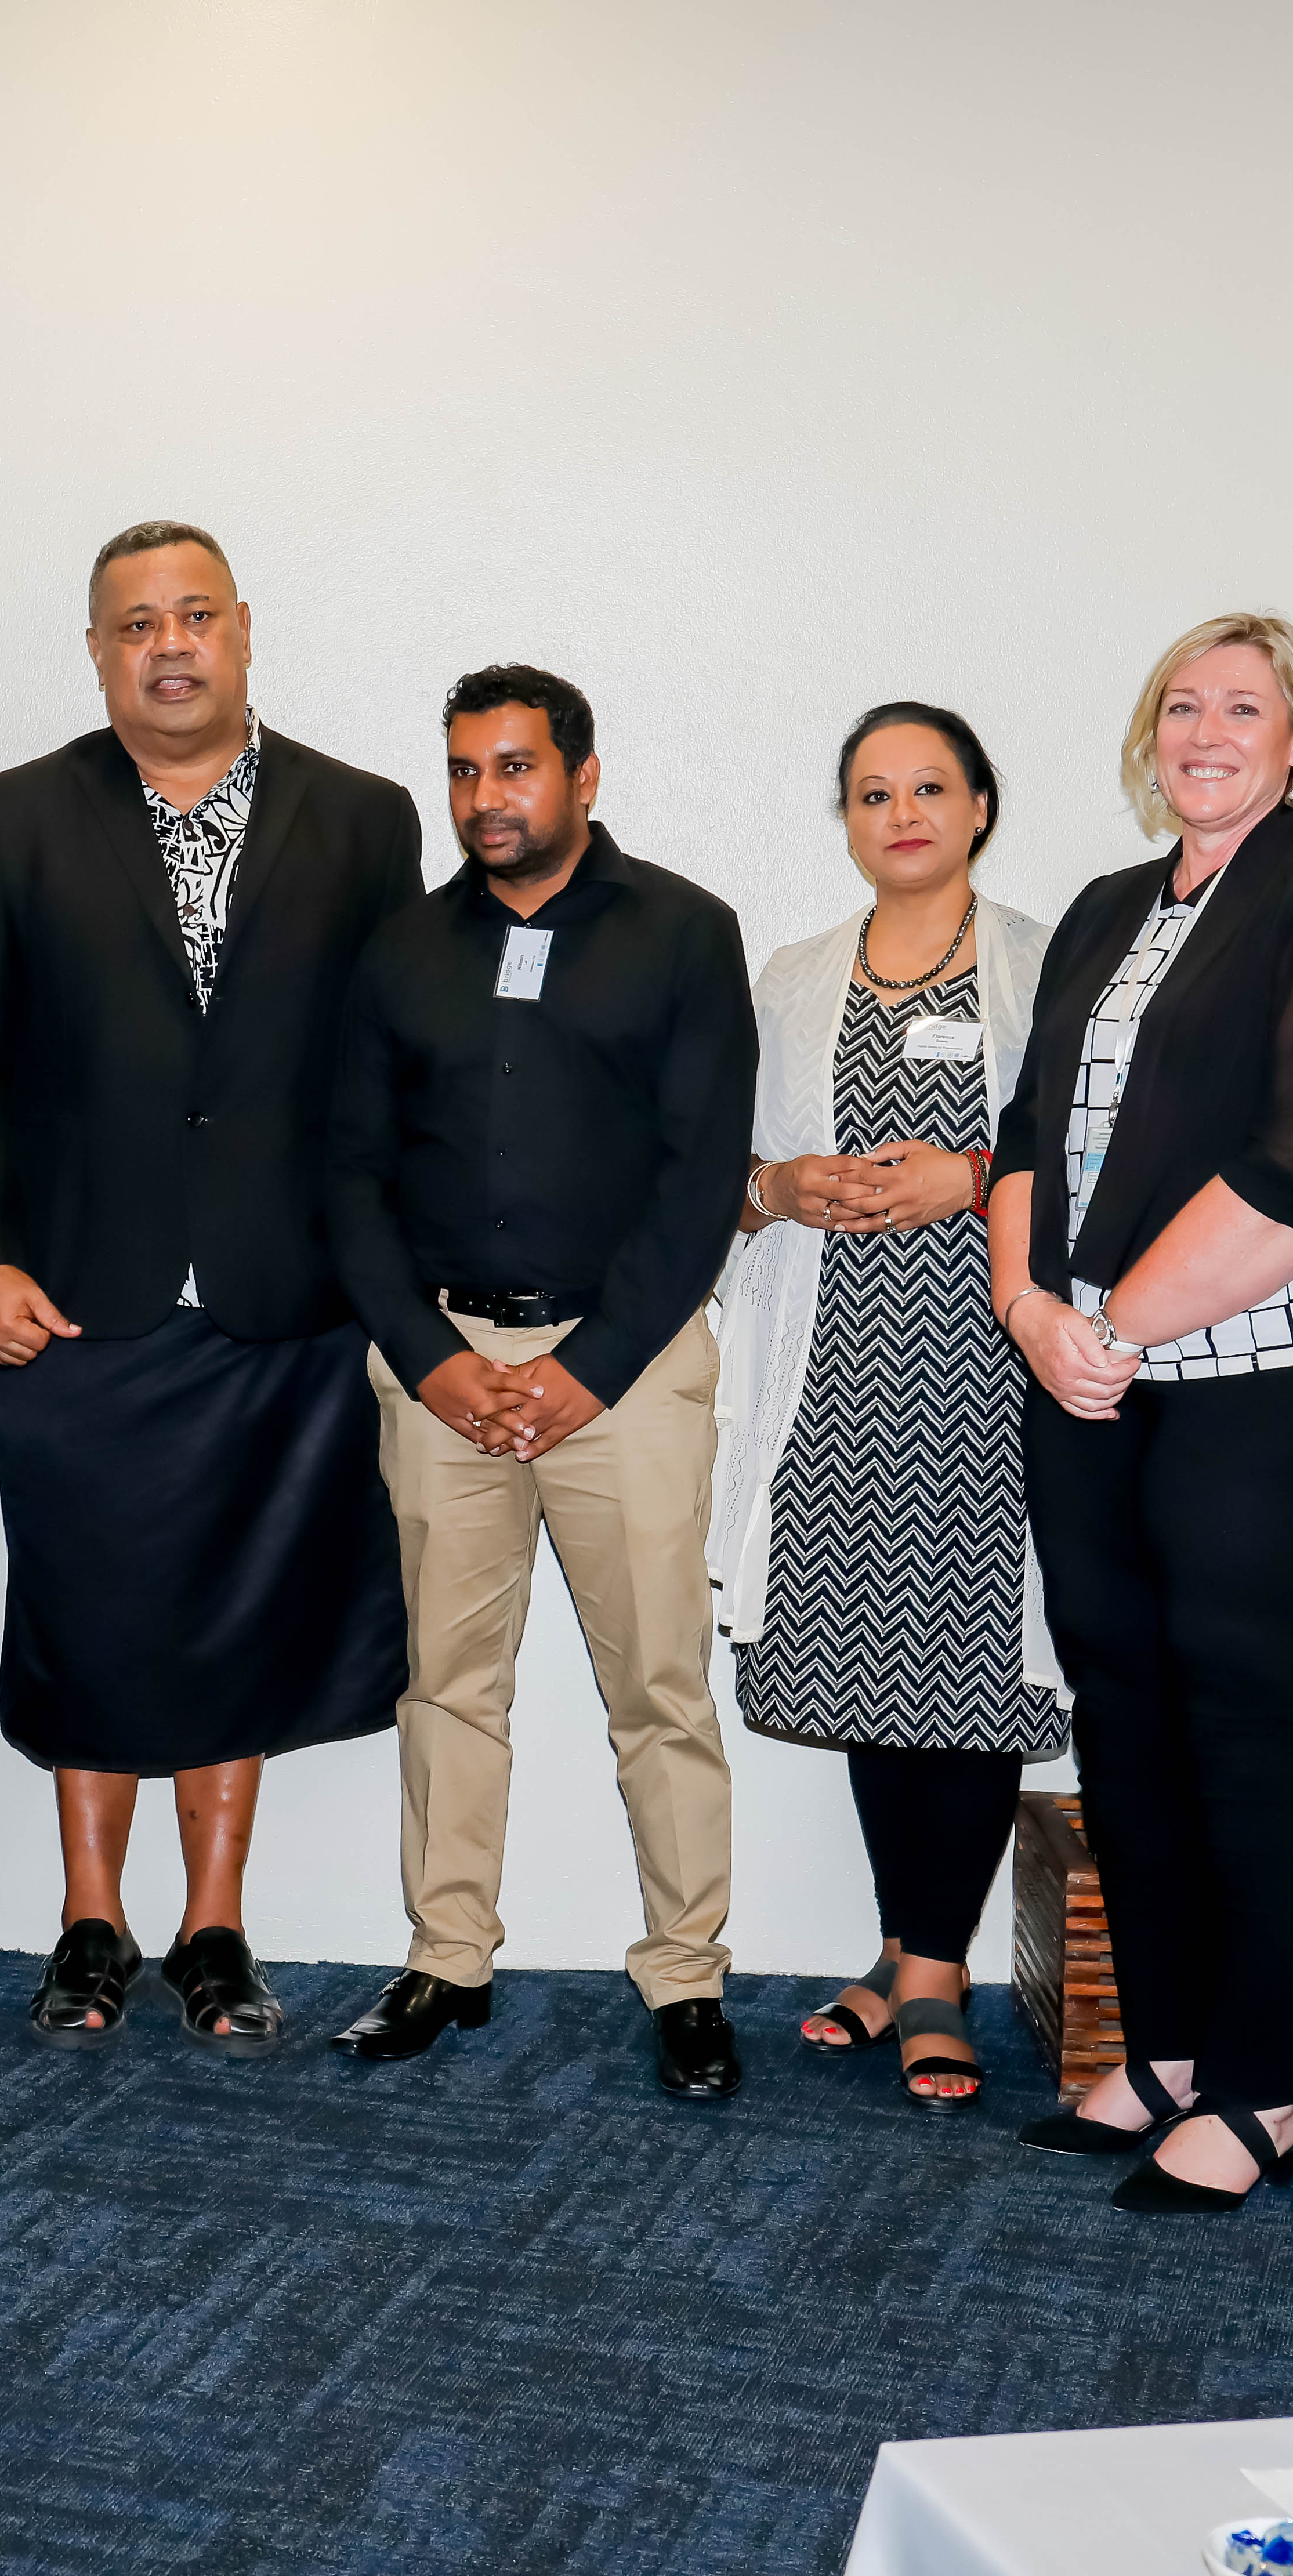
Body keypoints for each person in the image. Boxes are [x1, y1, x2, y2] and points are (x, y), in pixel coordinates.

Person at [0, 520, 418, 2050]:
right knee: (92, 1612)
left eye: (194, 614)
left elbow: (385, 1075)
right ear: (98, 653)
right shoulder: (20, 816)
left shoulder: (365, 818)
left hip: (285, 1299)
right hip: (79, 1294)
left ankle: (215, 1929)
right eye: (134, 623)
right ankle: (92, 1923)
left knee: (238, 1619)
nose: (169, 643)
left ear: (245, 630)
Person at [990, 611, 1293, 2214]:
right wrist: (1035, 1311)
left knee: (1260, 1726)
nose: (1208, 730)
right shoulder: (1108, 910)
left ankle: (1271, 2081)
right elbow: (1026, 1133)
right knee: (1130, 1715)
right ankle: (1164, 2047)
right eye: (1182, 704)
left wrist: (1106, 1323)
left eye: (1245, 706)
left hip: (1277, 1382)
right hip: (1093, 1373)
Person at [324, 666, 756, 2091]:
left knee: (661, 1686)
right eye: (463, 770)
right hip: (443, 1365)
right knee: (448, 1686)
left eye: (514, 767)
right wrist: (436, 1361)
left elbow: (703, 1182)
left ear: (581, 773)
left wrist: (588, 1367)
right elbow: (351, 1181)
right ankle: (447, 1958)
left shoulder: (686, 933)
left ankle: (686, 1977)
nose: (485, 797)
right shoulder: (401, 951)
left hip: (620, 1369)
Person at [715, 704, 1062, 2112]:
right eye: (873, 792)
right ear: (846, 821)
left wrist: (970, 1179)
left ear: (981, 804)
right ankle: (898, 1945)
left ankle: (934, 1976)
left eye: (930, 786)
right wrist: (778, 1186)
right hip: (833, 1371)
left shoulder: (1050, 963)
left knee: (970, 1678)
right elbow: (723, 1171)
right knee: (869, 1667)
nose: (902, 811)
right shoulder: (793, 976)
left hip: (986, 1371)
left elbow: (1095, 1152)